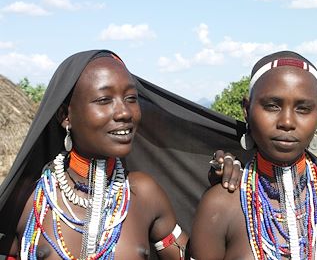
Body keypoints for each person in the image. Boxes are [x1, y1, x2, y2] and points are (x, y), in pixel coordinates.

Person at [0, 50, 241, 260]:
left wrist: (217, 195)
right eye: (104, 100)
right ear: (66, 116)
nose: (125, 112)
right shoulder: (32, 198)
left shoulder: (143, 194)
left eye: (131, 99)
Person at [190, 51, 317, 259]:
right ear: (247, 109)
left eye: (303, 108)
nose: (287, 122)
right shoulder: (220, 204)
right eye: (272, 106)